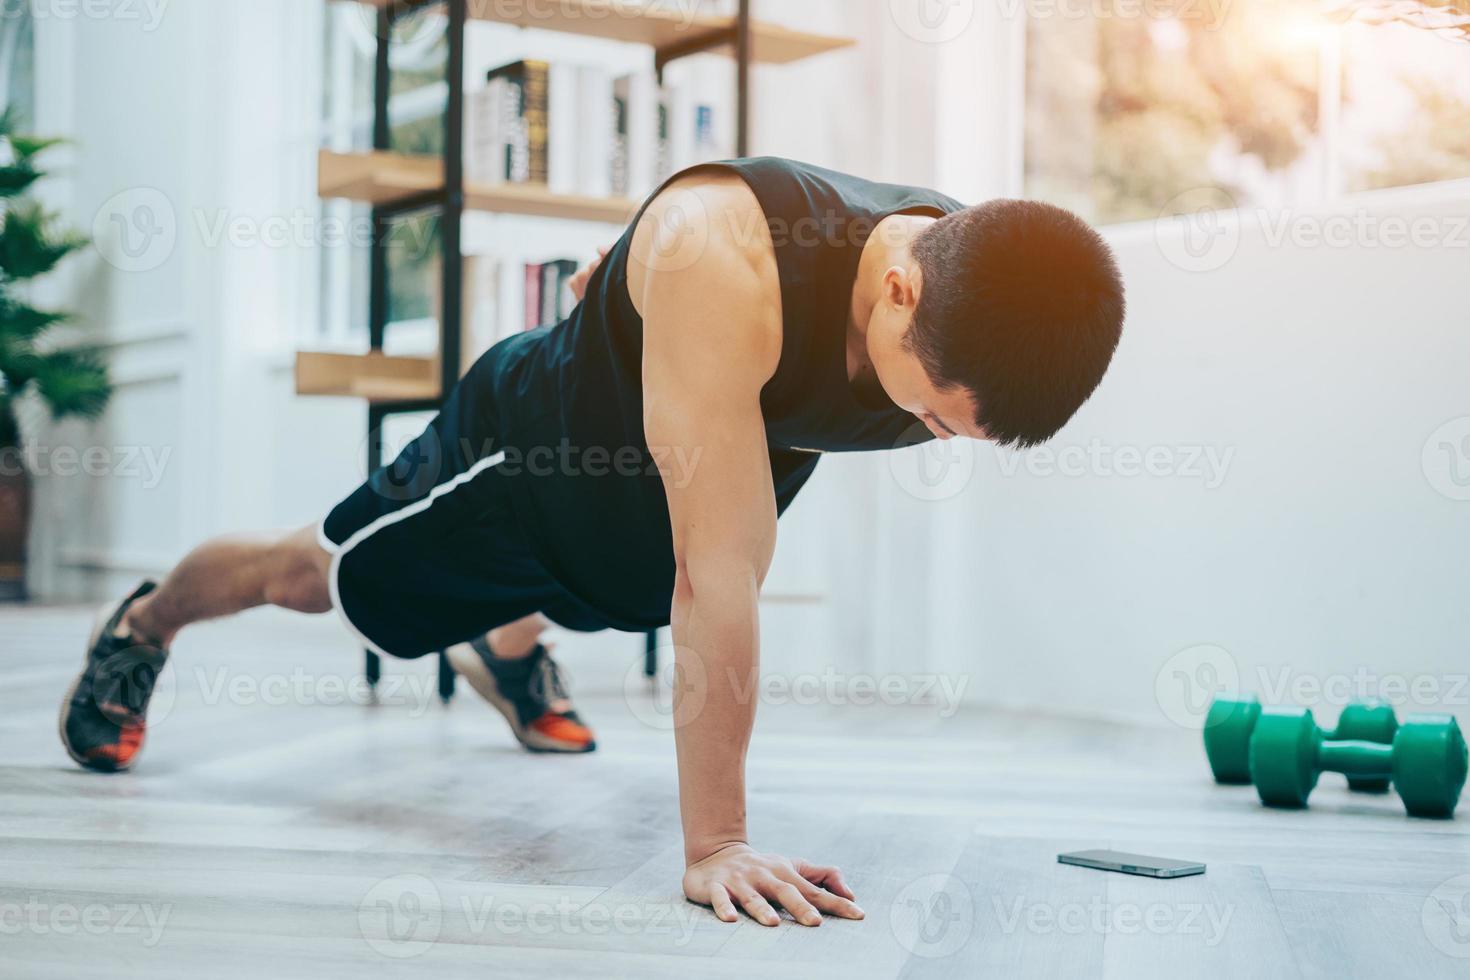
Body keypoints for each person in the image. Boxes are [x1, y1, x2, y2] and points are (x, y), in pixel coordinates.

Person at [59, 157, 1125, 928]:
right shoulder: (733, 258)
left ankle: (510, 646)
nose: (930, 436)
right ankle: (146, 622)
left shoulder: (973, 279)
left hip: (644, 495)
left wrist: (632, 262)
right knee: (316, 579)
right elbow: (716, 573)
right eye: (936, 416)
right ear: (901, 289)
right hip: (522, 455)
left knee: (629, 580)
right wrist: (717, 845)